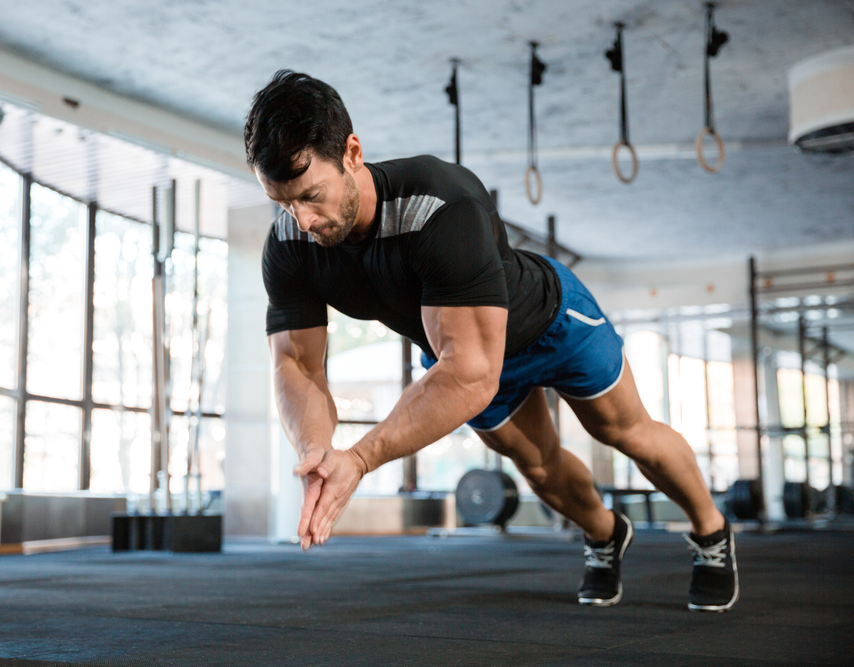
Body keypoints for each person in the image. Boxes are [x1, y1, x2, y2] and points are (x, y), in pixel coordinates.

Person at [244, 70, 739, 612]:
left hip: (549, 322)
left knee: (625, 431)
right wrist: (315, 449)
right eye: (285, 202)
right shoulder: (290, 241)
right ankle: (603, 533)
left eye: (312, 196)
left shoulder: (440, 205)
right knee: (540, 466)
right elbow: (296, 364)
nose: (304, 219)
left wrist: (359, 458)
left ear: (353, 152)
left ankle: (711, 531)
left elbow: (472, 373)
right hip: (462, 353)